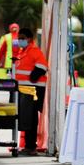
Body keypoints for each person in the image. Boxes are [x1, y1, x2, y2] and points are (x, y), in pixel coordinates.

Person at [13, 27, 48, 155]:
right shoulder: (23, 52)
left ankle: (31, 146)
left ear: (29, 39)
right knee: (27, 117)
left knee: (31, 118)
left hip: (33, 90)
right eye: (19, 38)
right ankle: (28, 145)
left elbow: (42, 67)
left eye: (22, 38)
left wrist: (33, 76)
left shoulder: (34, 51)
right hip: (24, 89)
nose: (20, 40)